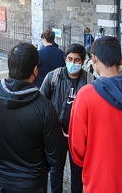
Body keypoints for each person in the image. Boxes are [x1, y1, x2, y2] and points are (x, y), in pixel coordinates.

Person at [69, 36, 122, 192]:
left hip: (99, 181)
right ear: (121, 60)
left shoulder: (85, 95)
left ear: (94, 58)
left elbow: (77, 149)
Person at [0, 42, 63, 192]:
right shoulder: (45, 108)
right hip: (32, 184)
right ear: (35, 70)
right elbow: (55, 156)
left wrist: (0, 148)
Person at [40, 43, 94, 193]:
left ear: (83, 61)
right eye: (70, 59)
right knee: (56, 169)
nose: (73, 63)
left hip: (79, 136)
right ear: (65, 59)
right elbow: (41, 103)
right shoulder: (53, 76)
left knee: (78, 170)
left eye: (77, 60)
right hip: (56, 134)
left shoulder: (90, 80)